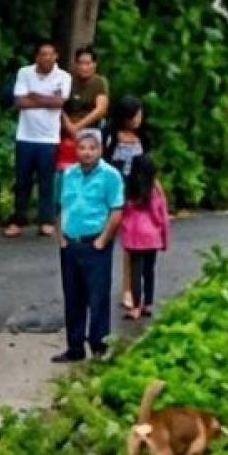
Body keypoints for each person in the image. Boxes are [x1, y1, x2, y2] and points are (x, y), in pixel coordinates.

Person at [53, 130, 125, 363]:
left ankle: (99, 347)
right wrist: (61, 237)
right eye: (82, 148)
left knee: (98, 298)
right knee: (73, 297)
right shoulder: (68, 174)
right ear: (76, 149)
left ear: (100, 150)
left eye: (92, 148)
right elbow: (59, 206)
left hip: (95, 244)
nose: (87, 153)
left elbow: (116, 211)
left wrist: (103, 240)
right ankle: (75, 347)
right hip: (71, 243)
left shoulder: (110, 175)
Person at [5, 39, 71, 239]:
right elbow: (19, 102)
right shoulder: (25, 73)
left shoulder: (63, 76)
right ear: (37, 57)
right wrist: (47, 99)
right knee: (22, 180)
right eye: (43, 54)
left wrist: (34, 96)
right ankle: (18, 220)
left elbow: (59, 102)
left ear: (56, 56)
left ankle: (46, 221)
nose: (47, 58)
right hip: (25, 135)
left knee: (46, 181)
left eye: (51, 54)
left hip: (49, 138)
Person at [103, 94, 149, 316]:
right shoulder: (111, 136)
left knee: (131, 246)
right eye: (135, 115)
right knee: (105, 240)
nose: (139, 119)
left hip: (134, 195)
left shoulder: (142, 137)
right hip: (113, 195)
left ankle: (129, 289)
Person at [119, 154, 170, 321]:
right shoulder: (154, 191)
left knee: (136, 271)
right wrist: (164, 238)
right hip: (152, 236)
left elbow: (122, 211)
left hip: (134, 237)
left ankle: (135, 306)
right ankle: (148, 304)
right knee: (149, 271)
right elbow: (160, 215)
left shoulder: (128, 190)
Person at [57, 46, 110, 171]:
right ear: (75, 64)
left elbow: (100, 109)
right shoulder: (68, 80)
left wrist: (78, 127)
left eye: (87, 63)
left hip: (89, 129)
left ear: (94, 65)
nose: (84, 67)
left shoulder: (99, 82)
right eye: (80, 63)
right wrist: (69, 125)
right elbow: (58, 103)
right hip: (66, 128)